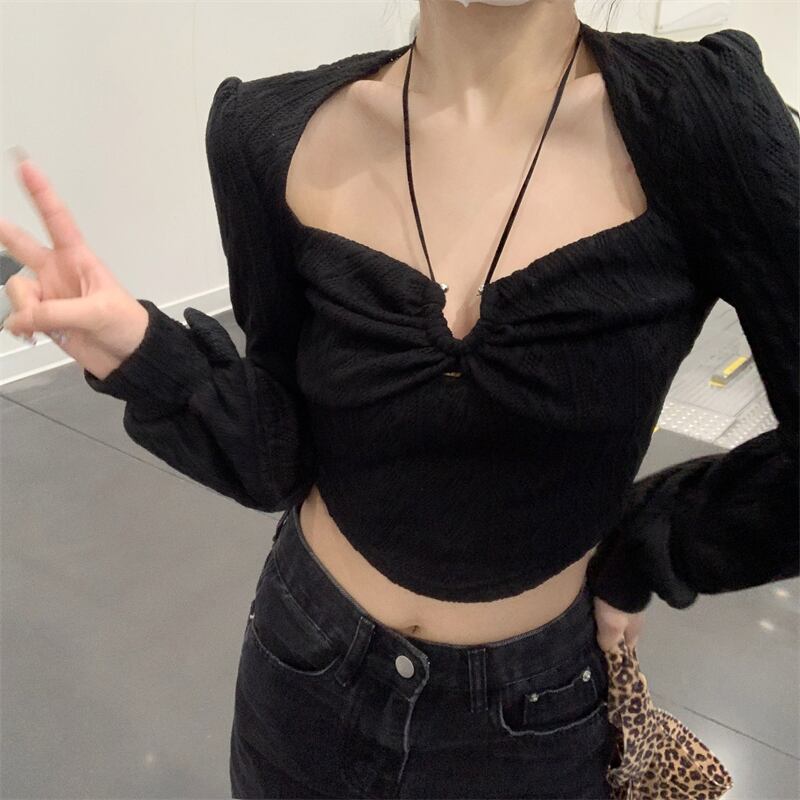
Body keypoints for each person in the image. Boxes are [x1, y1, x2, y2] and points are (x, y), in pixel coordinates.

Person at [1, 0, 797, 797]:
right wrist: (139, 351)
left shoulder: (700, 122)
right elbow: (277, 458)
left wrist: (657, 543)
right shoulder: (269, 133)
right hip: (304, 669)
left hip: (533, 721)